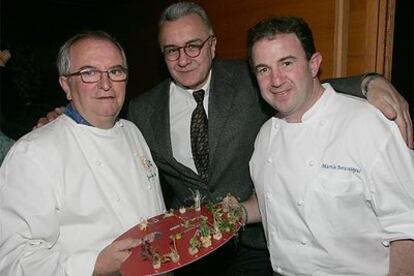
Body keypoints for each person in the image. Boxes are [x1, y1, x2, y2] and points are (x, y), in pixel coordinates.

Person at [33, 2, 413, 275]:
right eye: (171, 50)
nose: (184, 58)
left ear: (212, 45)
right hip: (188, 254)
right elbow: (100, 124)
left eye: (193, 46)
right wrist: (64, 116)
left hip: (258, 250)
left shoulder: (251, 80)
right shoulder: (141, 110)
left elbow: (301, 90)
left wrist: (368, 82)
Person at [246, 16, 414, 275]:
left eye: (286, 63)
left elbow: (407, 226)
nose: (275, 80)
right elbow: (272, 199)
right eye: (263, 69)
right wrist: (226, 215)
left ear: (313, 64)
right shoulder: (266, 134)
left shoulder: (367, 123)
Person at [0, 31, 165, 275]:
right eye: (89, 73)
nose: (106, 84)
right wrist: (94, 265)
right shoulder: (32, 153)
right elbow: (11, 261)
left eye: (115, 71)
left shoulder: (132, 131)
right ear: (66, 85)